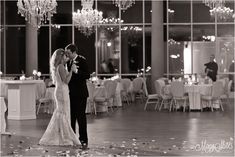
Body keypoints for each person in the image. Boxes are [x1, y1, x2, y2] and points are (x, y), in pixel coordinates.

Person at [39, 49, 79, 146]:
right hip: (62, 92)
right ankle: (65, 137)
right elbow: (66, 81)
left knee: (61, 112)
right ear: (61, 57)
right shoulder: (61, 66)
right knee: (64, 113)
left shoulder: (59, 66)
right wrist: (71, 71)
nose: (67, 57)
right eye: (65, 56)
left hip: (61, 90)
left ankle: (61, 135)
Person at [65, 44, 90, 149]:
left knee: (81, 118)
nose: (67, 55)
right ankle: (73, 138)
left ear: (74, 52)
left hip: (80, 94)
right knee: (72, 117)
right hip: (71, 94)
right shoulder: (68, 62)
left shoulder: (82, 60)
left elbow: (87, 75)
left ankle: (83, 139)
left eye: (68, 53)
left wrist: (77, 71)